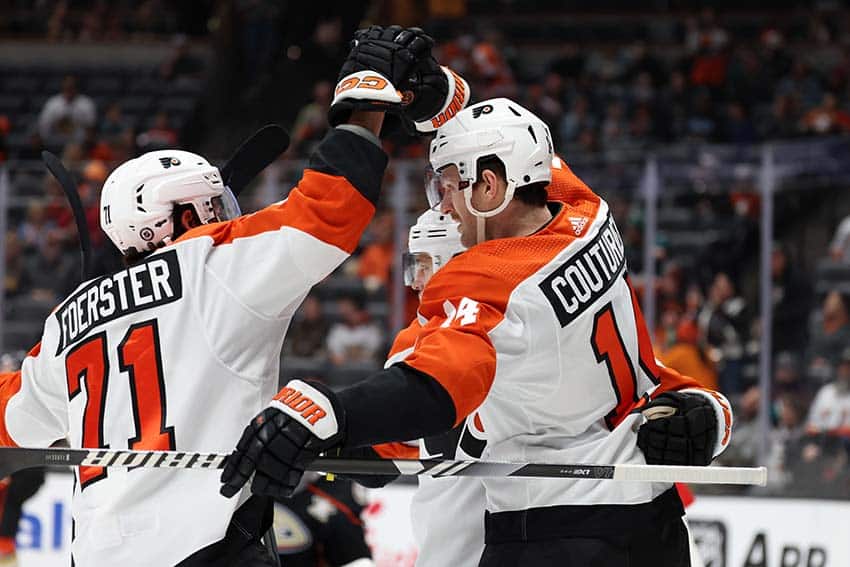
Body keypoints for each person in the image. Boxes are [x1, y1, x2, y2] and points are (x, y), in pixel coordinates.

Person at [0, 24, 457, 566]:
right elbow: (331, 209)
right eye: (212, 205)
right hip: (205, 549)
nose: (225, 215)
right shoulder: (210, 261)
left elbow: (11, 419)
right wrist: (364, 100)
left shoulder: (64, 324)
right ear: (184, 215)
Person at [222, 99, 733, 566]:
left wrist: (329, 417)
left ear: (491, 187)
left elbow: (431, 397)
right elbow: (533, 161)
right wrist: (441, 98)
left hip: (555, 529)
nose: (443, 203)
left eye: (448, 185)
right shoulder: (587, 211)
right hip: (650, 513)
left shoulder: (480, 279)